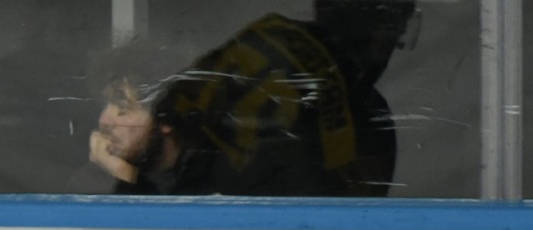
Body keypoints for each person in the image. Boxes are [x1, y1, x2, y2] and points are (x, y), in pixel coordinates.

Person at [89, 0, 419, 196]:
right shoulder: (90, 179)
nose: (104, 120)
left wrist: (126, 183)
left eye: (122, 106)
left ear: (165, 115)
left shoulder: (232, 170)